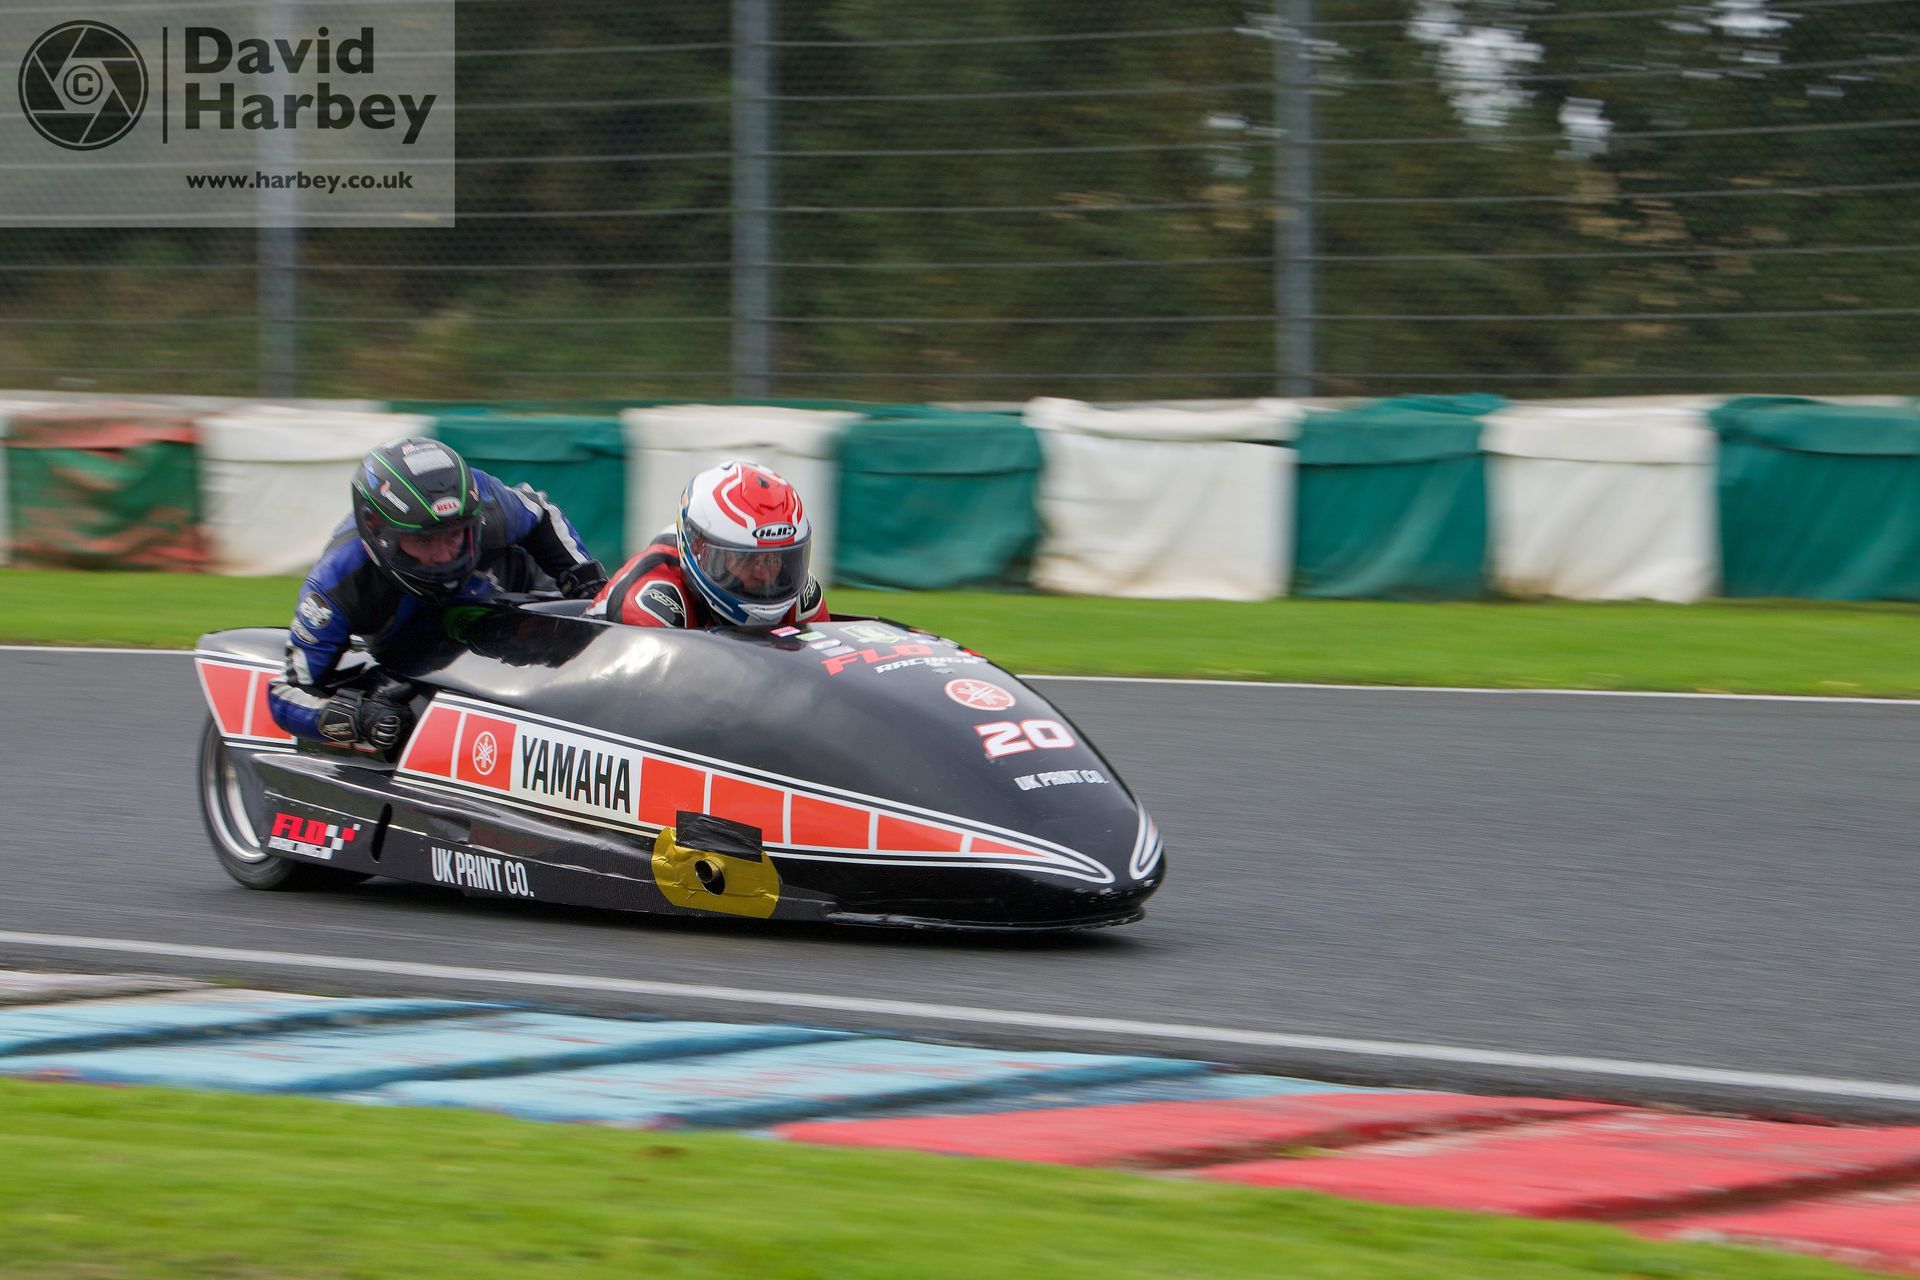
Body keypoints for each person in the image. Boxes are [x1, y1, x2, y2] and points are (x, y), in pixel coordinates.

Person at [268, 437, 606, 752]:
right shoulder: (336, 584)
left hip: (519, 605)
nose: (445, 555)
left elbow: (541, 512)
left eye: (454, 536)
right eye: (424, 541)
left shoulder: (486, 504)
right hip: (416, 651)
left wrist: (585, 580)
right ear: (377, 530)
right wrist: (358, 718)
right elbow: (288, 693)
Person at [589, 458, 827, 631]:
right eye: (746, 559)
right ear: (698, 550)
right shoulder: (653, 602)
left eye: (775, 558)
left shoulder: (802, 597)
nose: (765, 574)